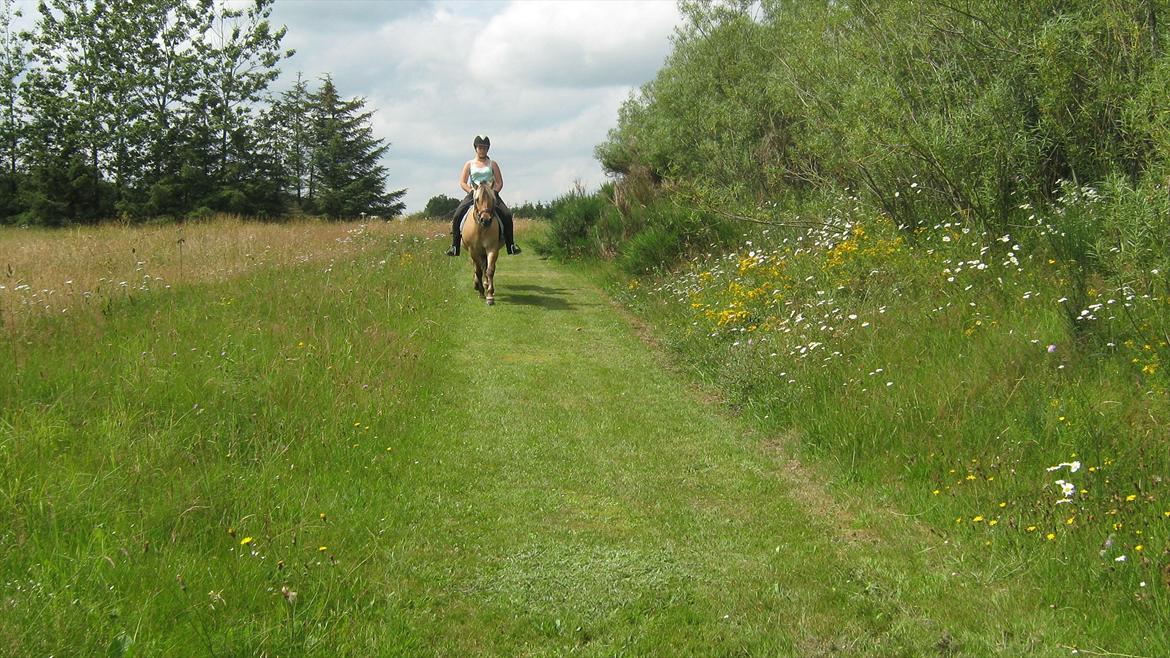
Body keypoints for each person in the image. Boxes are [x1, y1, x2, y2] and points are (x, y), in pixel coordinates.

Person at [445, 135, 521, 256]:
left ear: (487, 149)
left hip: (491, 195)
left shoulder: (493, 164)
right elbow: (462, 182)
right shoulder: (469, 164)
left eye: (485, 148)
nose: (482, 150)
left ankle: (511, 245)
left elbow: (499, 182)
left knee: (506, 214)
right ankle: (454, 246)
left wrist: (493, 193)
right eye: (480, 148)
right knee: (457, 215)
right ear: (476, 148)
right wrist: (471, 191)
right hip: (474, 194)